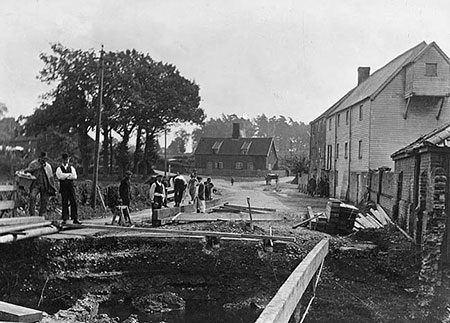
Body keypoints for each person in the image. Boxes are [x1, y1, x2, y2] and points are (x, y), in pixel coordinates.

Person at [23, 151, 56, 217]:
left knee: (44, 200)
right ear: (40, 158)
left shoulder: (48, 166)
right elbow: (27, 172)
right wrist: (30, 171)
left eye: (45, 159)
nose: (44, 160)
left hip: (45, 184)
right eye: (43, 159)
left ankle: (42, 215)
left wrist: (52, 187)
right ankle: (32, 214)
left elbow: (51, 177)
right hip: (36, 184)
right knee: (32, 196)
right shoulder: (34, 164)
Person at [55, 153, 81, 224]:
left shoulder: (71, 168)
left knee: (74, 201)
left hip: (70, 186)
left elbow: (74, 176)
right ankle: (65, 218)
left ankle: (75, 218)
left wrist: (65, 176)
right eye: (64, 160)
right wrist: (69, 175)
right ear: (62, 160)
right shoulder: (59, 169)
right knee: (64, 202)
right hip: (63, 187)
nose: (66, 161)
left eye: (67, 159)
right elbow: (60, 177)